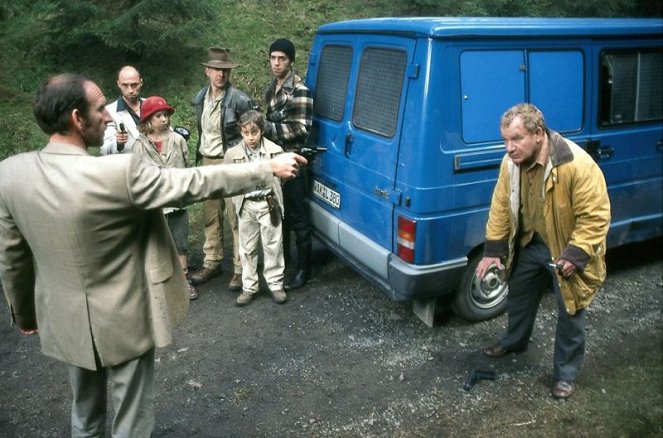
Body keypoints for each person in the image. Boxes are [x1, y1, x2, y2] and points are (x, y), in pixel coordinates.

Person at [0, 73, 305, 437]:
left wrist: (25, 314)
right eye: (101, 109)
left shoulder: (9, 174)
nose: (111, 116)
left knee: (84, 417)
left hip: (64, 321)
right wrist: (265, 168)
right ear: (77, 119)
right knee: (131, 423)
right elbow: (192, 183)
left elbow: (12, 258)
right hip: (125, 319)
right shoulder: (118, 172)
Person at [476, 103, 611, 400]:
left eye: (516, 139)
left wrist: (575, 255)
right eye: (505, 140)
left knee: (571, 311)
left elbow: (596, 217)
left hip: (565, 250)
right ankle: (514, 341)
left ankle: (565, 374)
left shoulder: (576, 164)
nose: (509, 148)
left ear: (538, 134)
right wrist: (493, 250)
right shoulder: (510, 163)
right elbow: (500, 206)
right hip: (531, 244)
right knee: (519, 295)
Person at [190, 47, 255, 290]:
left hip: (231, 162)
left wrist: (245, 161)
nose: (221, 75)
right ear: (208, 71)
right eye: (217, 69)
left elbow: (254, 130)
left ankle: (241, 269)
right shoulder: (200, 98)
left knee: (236, 217)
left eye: (225, 70)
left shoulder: (239, 99)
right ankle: (212, 262)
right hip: (207, 162)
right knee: (210, 216)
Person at [133, 95, 199, 300]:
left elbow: (187, 166)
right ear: (148, 121)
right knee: (157, 243)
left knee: (180, 242)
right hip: (155, 202)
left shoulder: (178, 140)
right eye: (158, 116)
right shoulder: (140, 145)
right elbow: (137, 172)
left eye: (165, 115)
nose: (163, 119)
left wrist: (187, 189)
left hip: (177, 199)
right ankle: (160, 283)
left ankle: (184, 280)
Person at [264, 38, 314, 291]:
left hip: (294, 163)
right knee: (279, 217)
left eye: (281, 58)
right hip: (274, 162)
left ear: (291, 61)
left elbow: (301, 129)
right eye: (273, 58)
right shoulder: (271, 88)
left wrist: (267, 128)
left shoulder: (300, 91)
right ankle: (281, 266)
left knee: (298, 219)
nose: (276, 63)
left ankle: (304, 269)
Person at [225, 110, 287, 306]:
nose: (250, 138)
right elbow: (228, 180)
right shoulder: (232, 154)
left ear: (262, 131)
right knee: (247, 247)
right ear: (241, 133)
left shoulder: (275, 150)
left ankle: (275, 284)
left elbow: (282, 179)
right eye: (245, 133)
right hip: (247, 205)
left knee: (273, 245)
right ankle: (249, 287)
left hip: (269, 203)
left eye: (254, 133)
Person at [101, 65, 144, 155]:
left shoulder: (151, 104)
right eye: (125, 85)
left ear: (141, 82)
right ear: (118, 84)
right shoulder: (109, 112)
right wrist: (118, 143)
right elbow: (105, 149)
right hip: (129, 165)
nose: (130, 90)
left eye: (134, 85)